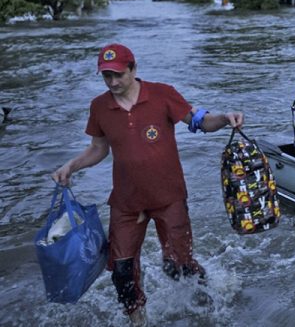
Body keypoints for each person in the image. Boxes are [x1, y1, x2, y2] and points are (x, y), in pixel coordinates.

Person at [51, 43, 244, 325]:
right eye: (107, 76)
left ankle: (207, 301)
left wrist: (225, 119)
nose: (113, 82)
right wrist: (71, 165)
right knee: (122, 270)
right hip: (127, 202)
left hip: (169, 197)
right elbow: (98, 148)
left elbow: (199, 121)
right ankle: (138, 321)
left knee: (179, 265)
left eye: (119, 74)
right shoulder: (99, 107)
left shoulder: (162, 94)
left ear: (133, 69)